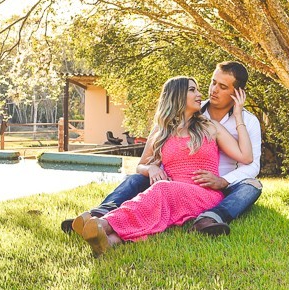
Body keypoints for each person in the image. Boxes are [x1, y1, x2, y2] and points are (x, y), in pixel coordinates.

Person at [62, 61, 263, 237]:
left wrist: (222, 181)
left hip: (224, 184)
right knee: (136, 179)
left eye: (222, 86)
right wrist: (152, 168)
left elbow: (250, 163)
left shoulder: (246, 122)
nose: (212, 90)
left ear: (236, 93)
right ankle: (98, 215)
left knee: (252, 186)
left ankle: (210, 218)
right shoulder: (184, 117)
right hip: (176, 181)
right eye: (212, 82)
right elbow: (146, 161)